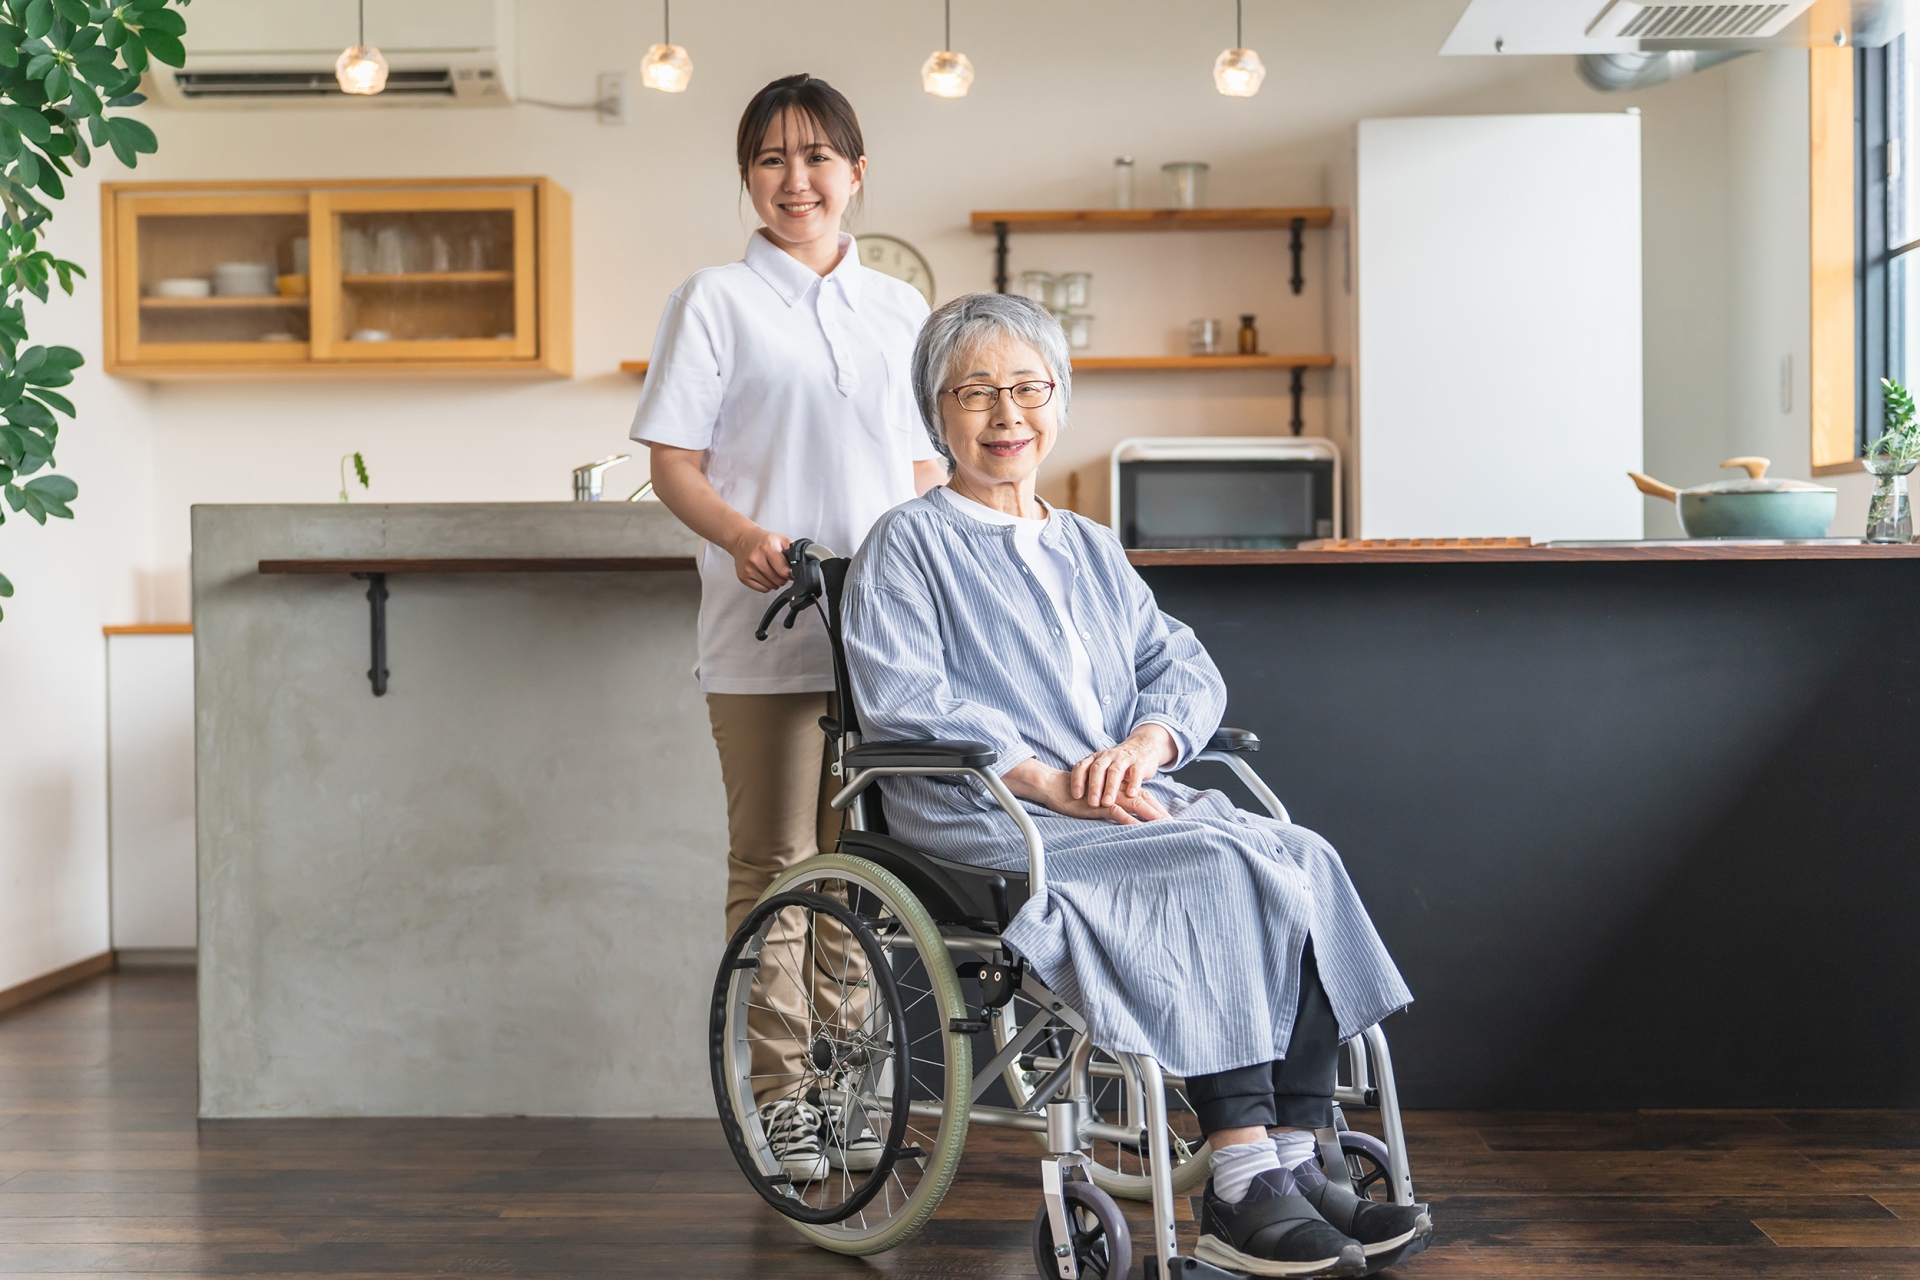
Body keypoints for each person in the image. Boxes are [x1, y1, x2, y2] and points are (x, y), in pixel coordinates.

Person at [840, 292, 1429, 1278]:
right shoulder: (910, 541)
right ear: (934, 412)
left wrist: (1151, 743)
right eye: (975, 391)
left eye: (1027, 387)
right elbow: (907, 693)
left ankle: (1299, 1152)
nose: (1005, 413)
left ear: (1059, 402)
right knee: (1204, 862)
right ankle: (1240, 1181)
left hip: (1121, 800)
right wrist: (1043, 777)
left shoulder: (1088, 544)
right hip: (991, 812)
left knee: (1300, 857)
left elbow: (1181, 666)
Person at [629, 73, 945, 1182]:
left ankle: (854, 1085)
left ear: (858, 173)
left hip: (880, 639)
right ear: (748, 179)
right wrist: (742, 533)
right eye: (771, 159)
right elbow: (673, 461)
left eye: (817, 157)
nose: (795, 179)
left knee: (861, 870)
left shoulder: (899, 310)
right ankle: (785, 1096)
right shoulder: (714, 299)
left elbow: (917, 472)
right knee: (777, 867)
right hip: (763, 625)